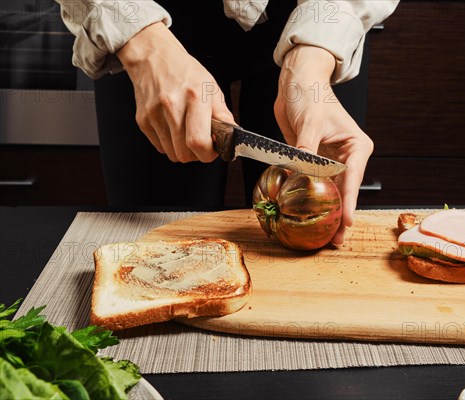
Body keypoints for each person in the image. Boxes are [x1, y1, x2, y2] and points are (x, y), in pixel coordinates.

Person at [55, 0, 400, 245]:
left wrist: (315, 59)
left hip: (310, 21)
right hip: (144, 20)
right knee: (156, 240)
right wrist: (141, 43)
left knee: (316, 245)